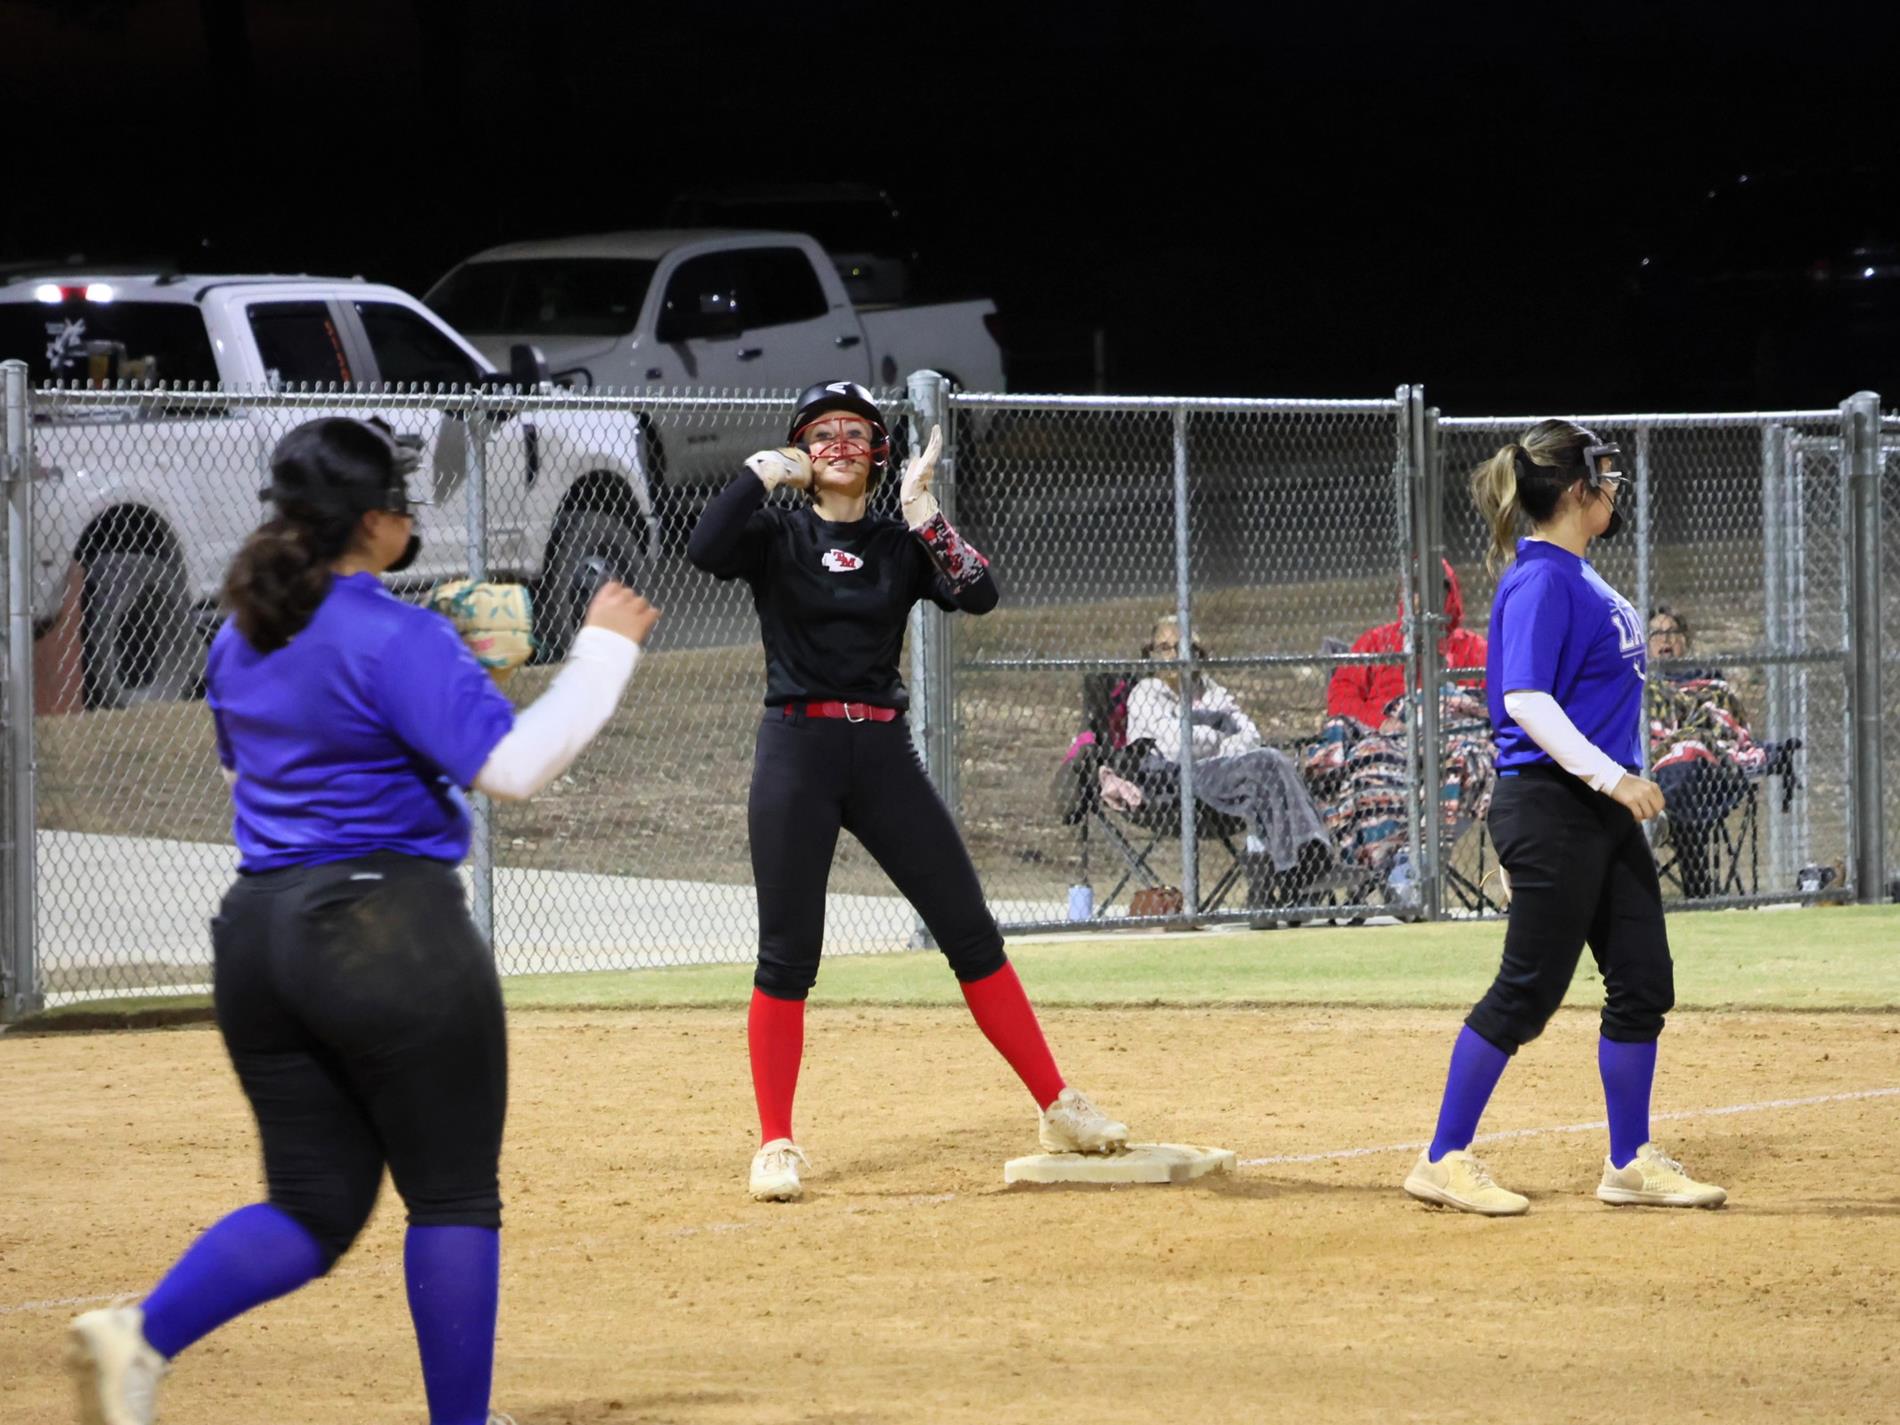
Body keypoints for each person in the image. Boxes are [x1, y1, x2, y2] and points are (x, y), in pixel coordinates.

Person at [67, 417, 660, 1425]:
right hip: (388, 931)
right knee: (454, 1194)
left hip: (259, 937)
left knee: (312, 1203)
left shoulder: (241, 630)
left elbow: (251, 771)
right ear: (380, 520)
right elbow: (513, 770)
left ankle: (142, 1337)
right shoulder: (397, 632)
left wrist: (445, 696)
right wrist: (603, 649)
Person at [687, 380, 1128, 1203]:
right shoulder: (775, 533)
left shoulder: (898, 542)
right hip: (797, 748)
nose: (841, 443)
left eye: (858, 431)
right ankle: (776, 1141)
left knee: (970, 929)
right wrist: (760, 471)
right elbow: (705, 549)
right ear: (800, 452)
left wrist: (925, 511)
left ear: (880, 454)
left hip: (882, 752)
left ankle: (1056, 1104)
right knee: (788, 953)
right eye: (823, 433)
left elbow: (979, 591)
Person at [1402, 420, 1726, 1216]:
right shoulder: (1540, 576)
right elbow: (1524, 699)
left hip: (1594, 807)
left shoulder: (1577, 573)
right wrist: (1614, 776)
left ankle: (1628, 1159)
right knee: (1528, 990)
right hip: (1554, 804)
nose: (1614, 487)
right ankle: (1442, 1156)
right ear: (1574, 490)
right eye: (1604, 475)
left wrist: (1614, 780)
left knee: (1643, 980)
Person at [1123, 615, 1333, 897]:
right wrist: (1221, 735)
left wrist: (1209, 740)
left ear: (1196, 653)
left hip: (1221, 779)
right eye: (1164, 647)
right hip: (1169, 787)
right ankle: (1303, 868)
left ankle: (1282, 879)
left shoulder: (1211, 691)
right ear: (1151, 654)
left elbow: (1250, 736)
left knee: (1269, 766)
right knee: (1266, 763)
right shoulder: (1145, 693)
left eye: (1181, 647)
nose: (1173, 655)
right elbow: (1176, 748)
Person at [1644, 604, 1782, 899]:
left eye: (1673, 632)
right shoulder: (1641, 684)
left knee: (1690, 755)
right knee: (1680, 765)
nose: (1665, 639)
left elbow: (1724, 718)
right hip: (1657, 764)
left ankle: (1664, 820)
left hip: (1704, 766)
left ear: (1686, 640)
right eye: (1656, 633)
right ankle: (1696, 888)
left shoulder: (1707, 677)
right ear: (1646, 642)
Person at [1325, 558, 1487, 730]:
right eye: (1416, 590)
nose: (1424, 599)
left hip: (1455, 733)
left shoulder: (1474, 647)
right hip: (1383, 735)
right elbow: (1341, 698)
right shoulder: (1376, 641)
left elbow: (1497, 699)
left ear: (1450, 595)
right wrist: (1381, 723)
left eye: (1433, 590)